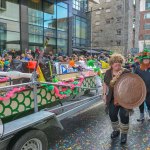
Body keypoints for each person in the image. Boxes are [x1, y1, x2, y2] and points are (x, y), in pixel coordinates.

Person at [103, 54, 130, 144]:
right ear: (111, 64)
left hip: (124, 98)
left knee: (124, 115)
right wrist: (104, 94)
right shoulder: (108, 72)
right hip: (112, 97)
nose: (117, 64)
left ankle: (124, 134)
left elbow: (132, 84)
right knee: (112, 114)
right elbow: (105, 84)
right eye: (115, 62)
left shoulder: (126, 72)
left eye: (119, 62)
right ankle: (116, 130)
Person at [135, 49, 150, 122]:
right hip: (141, 89)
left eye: (148, 59)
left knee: (149, 103)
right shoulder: (138, 68)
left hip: (149, 89)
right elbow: (135, 78)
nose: (146, 60)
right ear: (142, 60)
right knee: (140, 103)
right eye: (145, 59)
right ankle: (142, 117)